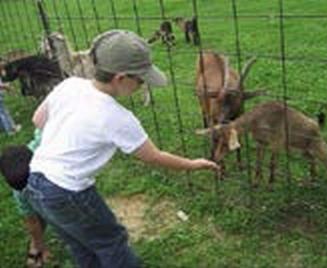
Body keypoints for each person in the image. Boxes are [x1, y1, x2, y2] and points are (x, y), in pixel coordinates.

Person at [23, 29, 219, 268]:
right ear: (121, 78)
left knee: (79, 243)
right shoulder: (117, 117)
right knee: (111, 242)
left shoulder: (71, 85)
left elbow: (38, 120)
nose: (142, 84)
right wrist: (193, 164)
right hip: (69, 191)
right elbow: (154, 157)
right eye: (140, 80)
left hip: (35, 181)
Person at [0, 129, 51, 268]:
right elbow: (31, 221)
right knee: (38, 217)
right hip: (46, 198)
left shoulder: (44, 143)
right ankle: (35, 246)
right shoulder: (20, 191)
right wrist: (41, 247)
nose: (27, 189)